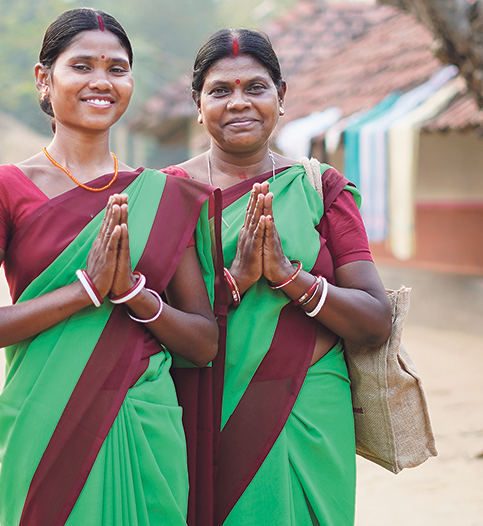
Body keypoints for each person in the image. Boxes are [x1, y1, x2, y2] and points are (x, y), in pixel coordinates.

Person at [0, 9, 219, 526]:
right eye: (82, 66)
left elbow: (203, 343)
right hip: (45, 417)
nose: (102, 81)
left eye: (117, 69)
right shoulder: (3, 189)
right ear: (44, 78)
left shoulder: (163, 196)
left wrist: (134, 294)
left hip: (142, 418)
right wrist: (85, 290)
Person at [163, 29, 392, 526]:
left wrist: (289, 278)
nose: (238, 102)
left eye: (255, 87)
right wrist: (238, 279)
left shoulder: (320, 189)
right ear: (198, 105)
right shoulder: (167, 196)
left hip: (308, 408)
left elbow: (376, 321)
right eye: (220, 90)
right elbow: (155, 319)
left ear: (281, 96)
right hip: (206, 403)